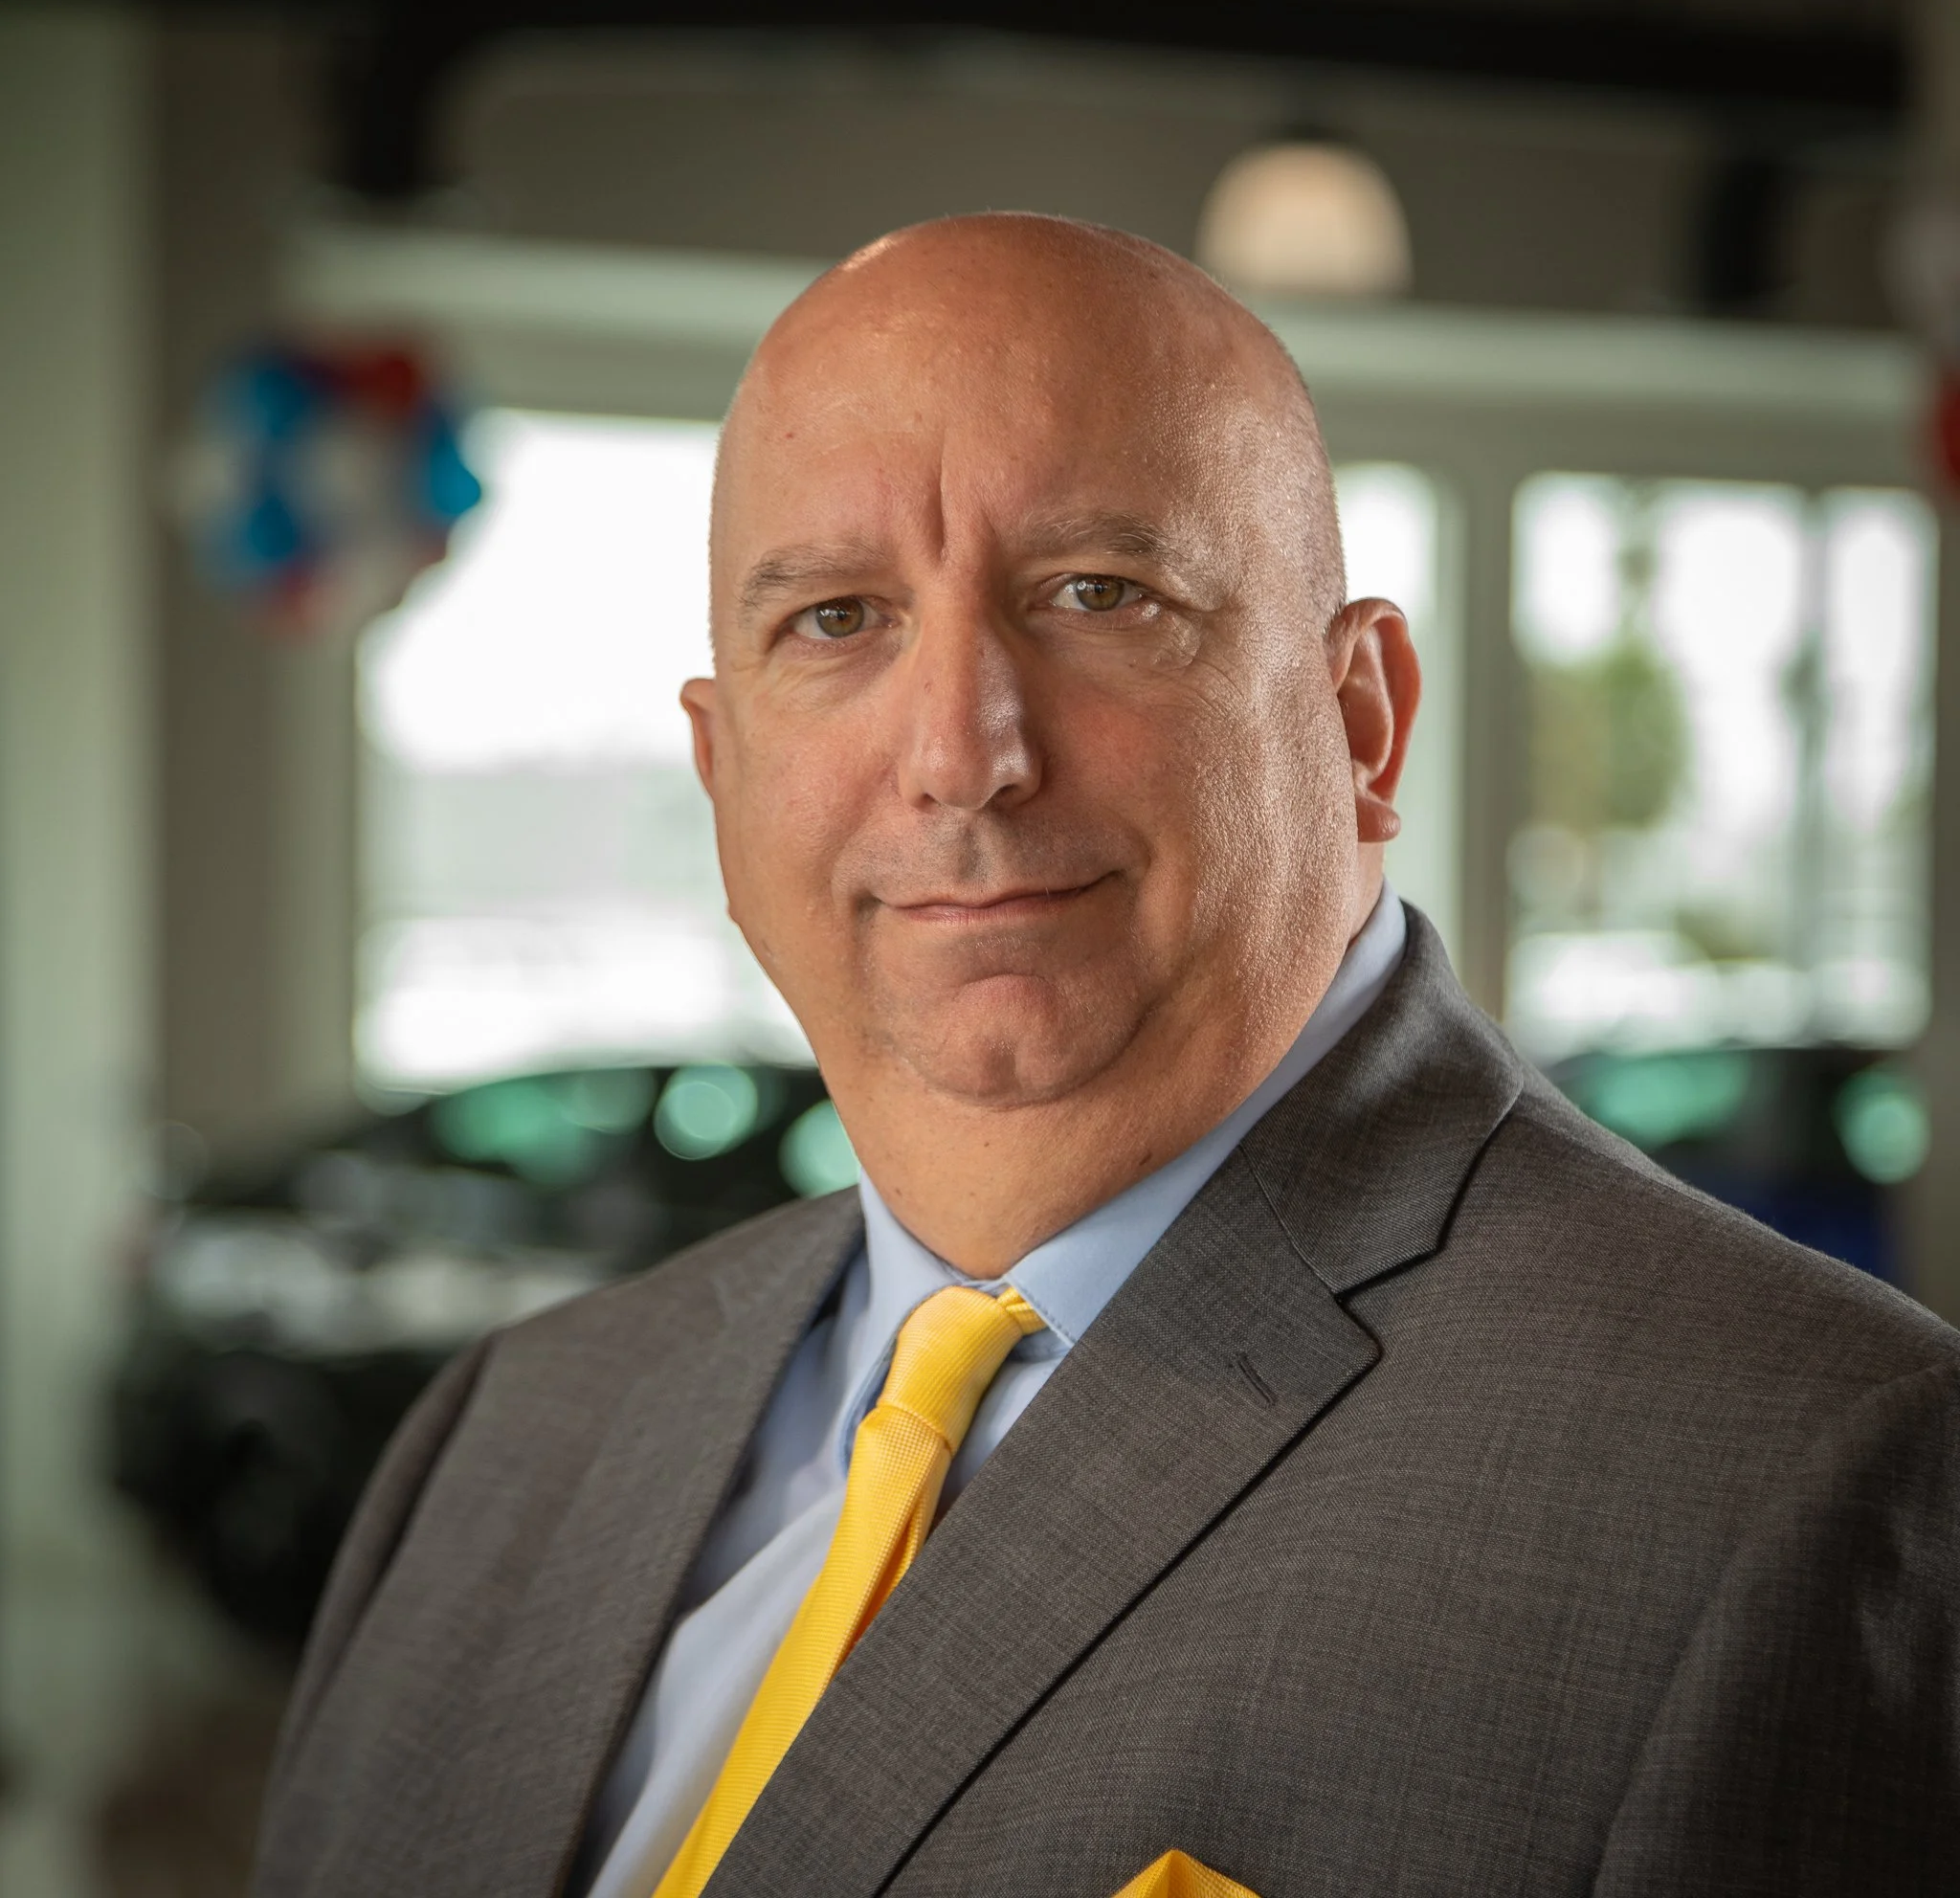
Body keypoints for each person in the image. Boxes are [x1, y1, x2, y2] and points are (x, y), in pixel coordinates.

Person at [252, 215, 1960, 1898]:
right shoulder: (510, 1433)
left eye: (1098, 593)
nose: (961, 753)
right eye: (838, 620)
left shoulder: (1795, 1482)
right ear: (722, 773)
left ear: (1361, 723)